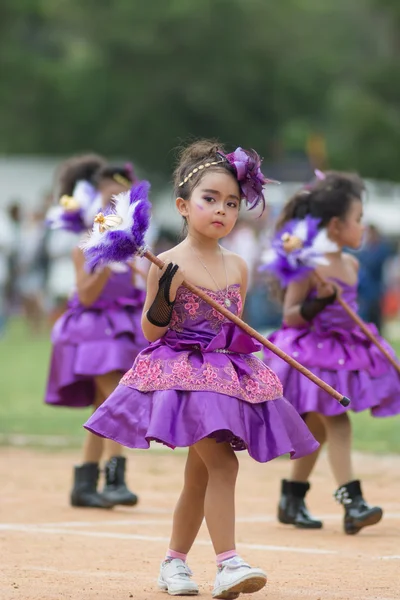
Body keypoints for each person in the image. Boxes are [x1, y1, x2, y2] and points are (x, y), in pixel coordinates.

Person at [84, 140, 318, 597]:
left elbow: (233, 327)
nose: (221, 210)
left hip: (227, 376)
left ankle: (173, 563)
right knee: (224, 465)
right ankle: (229, 562)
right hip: (182, 377)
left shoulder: (238, 265)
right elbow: (153, 333)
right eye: (210, 199)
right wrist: (166, 296)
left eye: (232, 203)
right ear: (183, 207)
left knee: (199, 476)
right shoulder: (166, 263)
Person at [263, 172, 400, 535]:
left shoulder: (352, 266)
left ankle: (292, 497)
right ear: (337, 226)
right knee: (337, 421)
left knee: (318, 430)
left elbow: (352, 316)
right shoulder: (308, 266)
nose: (363, 225)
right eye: (358, 219)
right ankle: (352, 501)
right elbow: (290, 317)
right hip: (312, 353)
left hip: (344, 351)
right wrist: (317, 303)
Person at [45, 154, 147, 509]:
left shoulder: (134, 252)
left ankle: (85, 481)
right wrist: (106, 257)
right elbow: (86, 295)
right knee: (118, 398)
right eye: (108, 202)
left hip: (122, 330)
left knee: (103, 404)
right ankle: (115, 477)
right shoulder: (83, 249)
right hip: (93, 333)